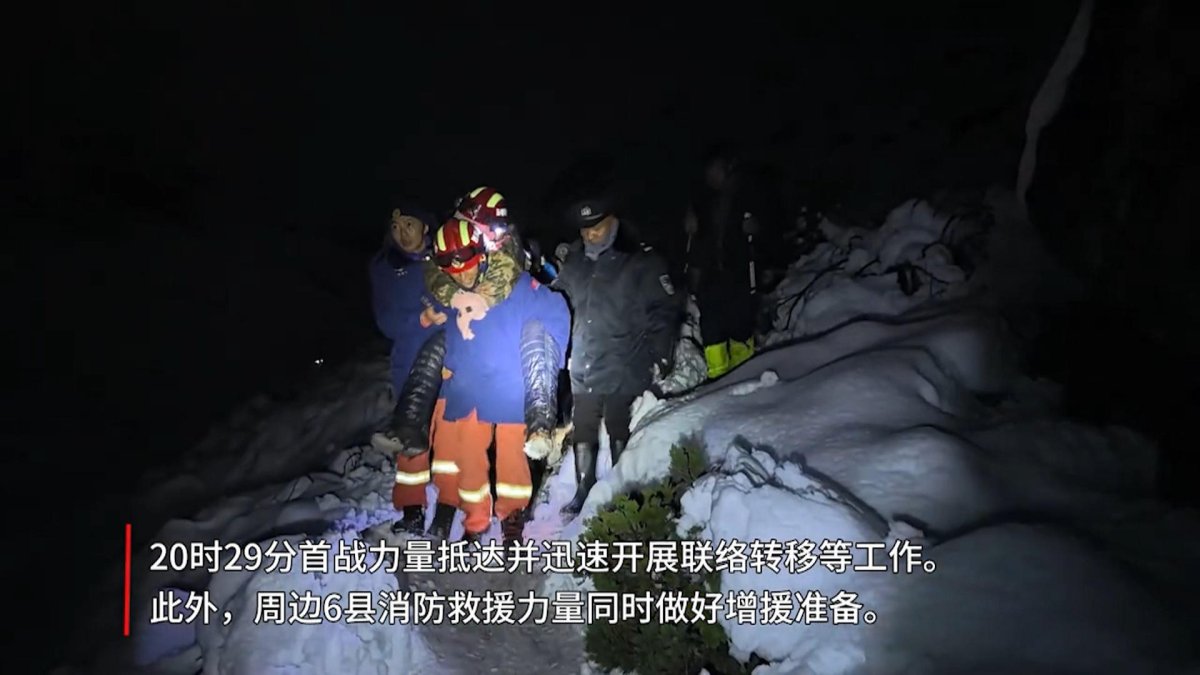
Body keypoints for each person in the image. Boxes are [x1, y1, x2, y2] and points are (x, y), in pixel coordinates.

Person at [388, 216, 570, 548]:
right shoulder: (451, 295)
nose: (462, 274)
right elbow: (442, 331)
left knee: (512, 462)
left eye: (467, 264)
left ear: (481, 254)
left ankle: (512, 519)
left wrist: (546, 365)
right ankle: (474, 523)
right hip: (469, 391)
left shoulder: (514, 285)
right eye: (452, 268)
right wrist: (446, 366)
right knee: (469, 461)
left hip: (510, 389)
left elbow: (555, 313)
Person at [551, 192, 685, 518]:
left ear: (614, 222)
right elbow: (557, 301)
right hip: (585, 361)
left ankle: (622, 486)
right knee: (583, 425)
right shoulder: (575, 264)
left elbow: (664, 310)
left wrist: (661, 353)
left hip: (626, 361)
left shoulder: (639, 262)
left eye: (597, 228)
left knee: (618, 423)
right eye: (585, 230)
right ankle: (584, 488)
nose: (590, 235)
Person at [367, 206, 449, 535]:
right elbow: (385, 321)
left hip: (450, 365)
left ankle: (448, 507)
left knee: (450, 440)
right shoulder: (385, 267)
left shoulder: (446, 257)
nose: (402, 233)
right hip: (409, 364)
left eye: (409, 224)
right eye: (396, 226)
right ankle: (412, 510)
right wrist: (421, 320)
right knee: (409, 436)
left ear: (426, 227)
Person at [684, 143, 786, 379]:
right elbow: (698, 242)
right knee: (712, 332)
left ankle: (744, 379)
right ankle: (718, 380)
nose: (711, 175)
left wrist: (758, 230)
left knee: (740, 330)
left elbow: (772, 228)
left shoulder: (750, 193)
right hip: (711, 278)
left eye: (715, 169)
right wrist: (694, 275)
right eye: (708, 171)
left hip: (740, 276)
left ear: (727, 168)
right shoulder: (704, 201)